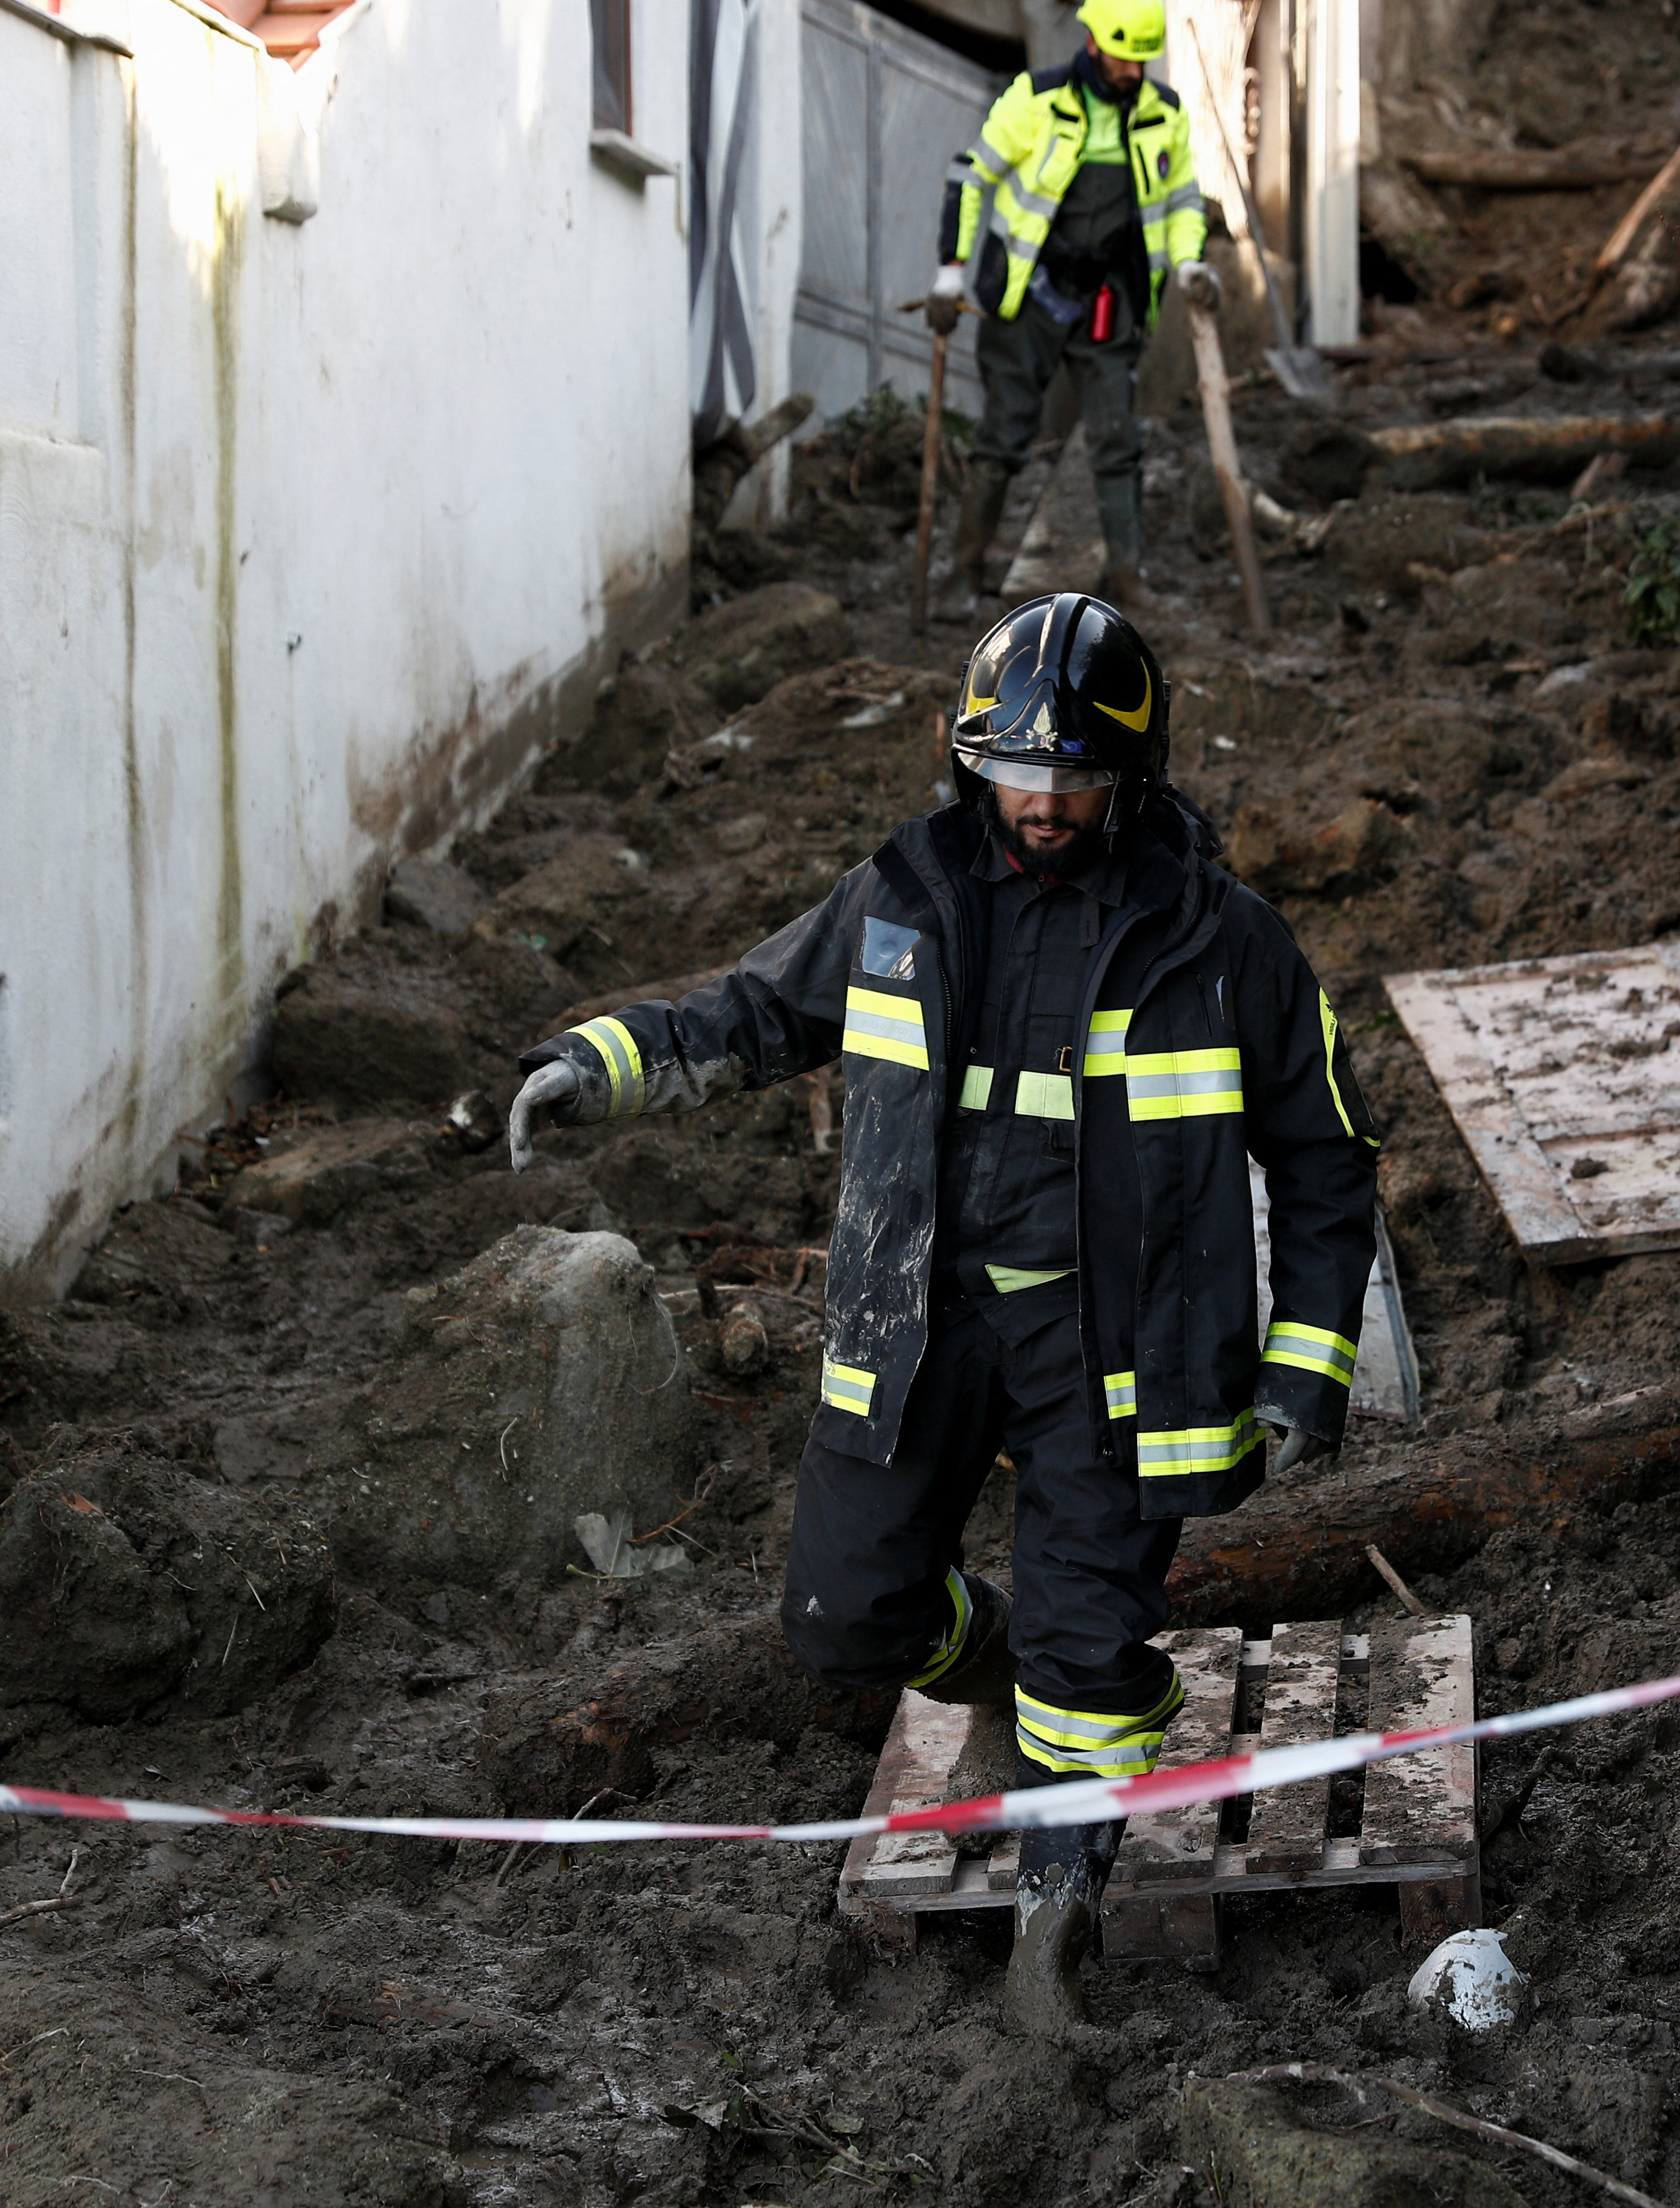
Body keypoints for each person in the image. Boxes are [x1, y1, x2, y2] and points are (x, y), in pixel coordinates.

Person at [504, 595, 1380, 2035]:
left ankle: (1056, 1922)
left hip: (1126, 1356)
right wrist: (594, 1066)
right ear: (970, 764)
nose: (1039, 806)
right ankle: (992, 1660)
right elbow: (752, 1011)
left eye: (1072, 781)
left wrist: (1305, 1367)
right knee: (843, 1622)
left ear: (1133, 775)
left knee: (1093, 1661)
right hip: (912, 1328)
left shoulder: (1222, 943)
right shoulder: (902, 894)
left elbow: (1326, 1157)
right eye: (1013, 777)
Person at [927, 0, 1218, 609]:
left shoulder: (1161, 114)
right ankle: (963, 571)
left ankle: (1128, 576)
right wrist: (951, 273)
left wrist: (1189, 261)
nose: (1134, 72)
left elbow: (1185, 197)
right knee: (1003, 435)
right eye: (1123, 58)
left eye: (1142, 60)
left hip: (1111, 300)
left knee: (1118, 438)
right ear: (1092, 43)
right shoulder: (1035, 99)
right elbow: (970, 176)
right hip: (1026, 296)